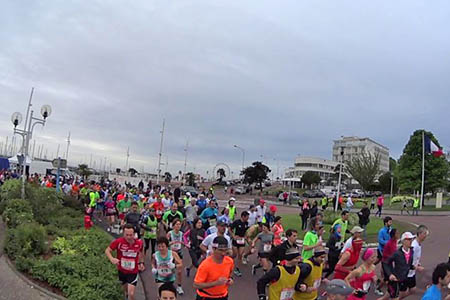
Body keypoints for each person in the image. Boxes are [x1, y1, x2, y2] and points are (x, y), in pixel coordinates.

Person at [105, 224, 145, 300]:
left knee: (131, 293)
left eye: (131, 235)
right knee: (126, 292)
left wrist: (141, 262)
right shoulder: (118, 242)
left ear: (134, 234)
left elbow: (141, 252)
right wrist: (112, 259)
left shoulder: (139, 243)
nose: (129, 237)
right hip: (122, 270)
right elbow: (107, 250)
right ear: (123, 233)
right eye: (127, 235)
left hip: (133, 271)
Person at [193, 236, 234, 300]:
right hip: (206, 297)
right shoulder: (205, 265)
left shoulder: (229, 261)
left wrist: (230, 279)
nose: (223, 253)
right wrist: (216, 283)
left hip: (223, 296)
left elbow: (230, 274)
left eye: (225, 250)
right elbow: (196, 285)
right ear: (213, 249)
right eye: (220, 250)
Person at [382, 232, 416, 300]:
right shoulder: (397, 253)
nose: (411, 241)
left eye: (411, 239)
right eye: (409, 239)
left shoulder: (412, 251)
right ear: (403, 241)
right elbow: (385, 263)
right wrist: (390, 274)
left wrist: (412, 267)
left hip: (404, 279)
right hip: (395, 280)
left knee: (387, 298)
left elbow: (407, 263)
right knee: (391, 298)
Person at [401, 225, 429, 299]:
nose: (425, 236)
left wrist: (417, 262)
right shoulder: (413, 245)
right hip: (406, 273)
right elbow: (407, 260)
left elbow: (414, 257)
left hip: (412, 273)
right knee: (402, 292)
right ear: (419, 234)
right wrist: (417, 267)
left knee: (413, 290)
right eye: (424, 234)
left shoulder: (418, 244)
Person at [376, 228, 400, 296]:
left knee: (387, 278)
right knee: (388, 279)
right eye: (397, 233)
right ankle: (379, 289)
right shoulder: (390, 243)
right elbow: (394, 255)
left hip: (389, 262)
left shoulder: (394, 241)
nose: (398, 234)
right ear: (393, 235)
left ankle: (387, 290)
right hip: (386, 263)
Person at [167, 219, 185, 294]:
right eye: (176, 224)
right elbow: (165, 244)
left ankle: (179, 287)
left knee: (180, 271)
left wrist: (183, 243)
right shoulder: (170, 233)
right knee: (171, 270)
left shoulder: (181, 233)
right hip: (171, 254)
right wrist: (171, 243)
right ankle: (169, 285)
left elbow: (184, 243)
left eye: (179, 224)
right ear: (173, 225)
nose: (178, 226)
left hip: (179, 253)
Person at [230, 211, 250, 276]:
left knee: (240, 255)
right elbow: (230, 229)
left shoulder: (246, 223)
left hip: (242, 240)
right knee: (234, 254)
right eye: (247, 217)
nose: (248, 219)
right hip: (236, 240)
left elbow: (246, 231)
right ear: (243, 216)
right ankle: (227, 261)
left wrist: (246, 237)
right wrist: (233, 236)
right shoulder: (236, 222)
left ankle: (237, 269)